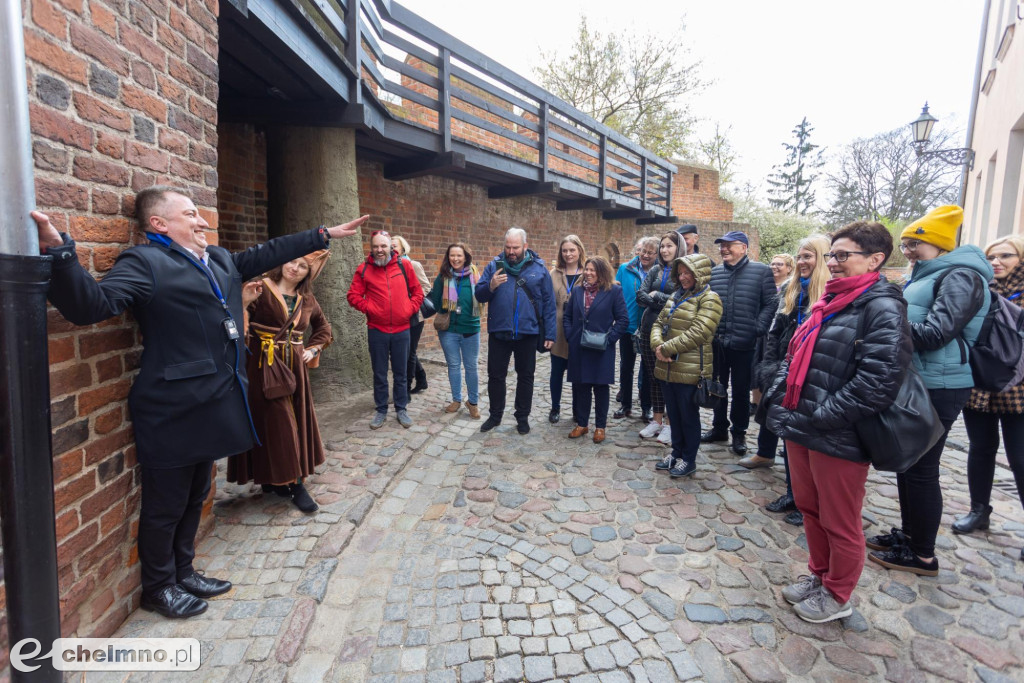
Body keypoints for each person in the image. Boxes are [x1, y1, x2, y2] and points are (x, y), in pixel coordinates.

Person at [33, 186, 366, 619]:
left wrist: (320, 234)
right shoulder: (145, 262)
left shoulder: (221, 260)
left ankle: (184, 571)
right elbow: (91, 305)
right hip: (172, 406)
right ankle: (159, 587)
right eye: (190, 214)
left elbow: (267, 252)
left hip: (215, 400)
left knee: (196, 494)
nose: (201, 220)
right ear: (159, 224)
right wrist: (61, 255)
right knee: (165, 503)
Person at [765, 221, 912, 623]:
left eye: (843, 255)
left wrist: (822, 417)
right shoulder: (829, 300)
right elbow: (795, 358)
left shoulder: (882, 305)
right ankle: (819, 575)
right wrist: (780, 405)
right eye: (832, 254)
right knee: (811, 509)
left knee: (840, 520)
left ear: (876, 259)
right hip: (804, 424)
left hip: (838, 432)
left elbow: (878, 381)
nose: (834, 262)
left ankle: (838, 592)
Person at [866, 206, 991, 576]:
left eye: (914, 243)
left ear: (937, 243)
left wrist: (886, 325)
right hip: (923, 379)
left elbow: (938, 332)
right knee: (909, 464)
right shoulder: (930, 273)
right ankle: (909, 535)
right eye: (905, 243)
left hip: (942, 384)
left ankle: (922, 554)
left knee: (922, 470)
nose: (907, 250)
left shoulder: (961, 276)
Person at [227, 253, 333, 513]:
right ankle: (282, 482)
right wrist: (242, 302)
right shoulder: (260, 288)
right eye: (292, 262)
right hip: (263, 366)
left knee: (291, 422)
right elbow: (234, 323)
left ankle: (288, 482)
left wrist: (314, 349)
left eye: (302, 266)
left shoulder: (307, 300)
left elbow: (324, 329)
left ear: (309, 273)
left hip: (295, 369)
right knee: (272, 423)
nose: (294, 269)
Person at [750, 235, 831, 527]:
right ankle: (793, 493)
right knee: (789, 437)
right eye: (799, 256)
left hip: (813, 375)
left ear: (821, 258)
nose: (801, 262)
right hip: (787, 371)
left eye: (807, 256)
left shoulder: (828, 294)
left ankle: (810, 502)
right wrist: (771, 367)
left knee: (808, 442)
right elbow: (775, 332)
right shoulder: (791, 289)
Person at [954, 234, 1024, 562]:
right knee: (980, 449)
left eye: (1005, 256)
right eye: (992, 256)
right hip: (980, 382)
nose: (996, 262)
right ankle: (979, 510)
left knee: (1020, 458)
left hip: (1019, 388)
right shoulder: (981, 290)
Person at [702, 231, 777, 456]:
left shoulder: (761, 271)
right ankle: (719, 428)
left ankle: (739, 432)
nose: (723, 249)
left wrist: (758, 327)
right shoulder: (714, 273)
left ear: (743, 248)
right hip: (718, 342)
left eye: (729, 245)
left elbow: (771, 302)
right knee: (717, 388)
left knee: (742, 391)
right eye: (721, 246)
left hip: (745, 343)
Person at [475, 227, 556, 434]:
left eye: (515, 248)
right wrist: (491, 285)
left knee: (526, 376)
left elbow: (548, 302)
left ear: (525, 246)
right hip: (499, 331)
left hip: (527, 332)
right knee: (495, 376)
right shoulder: (494, 266)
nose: (511, 252)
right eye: (508, 247)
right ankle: (495, 415)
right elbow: (480, 295)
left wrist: (550, 333)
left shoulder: (538, 268)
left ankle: (522, 417)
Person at [650, 253, 722, 477]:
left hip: (690, 369)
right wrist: (657, 345)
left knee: (688, 416)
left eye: (687, 272)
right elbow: (658, 322)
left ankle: (689, 459)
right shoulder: (675, 296)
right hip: (668, 367)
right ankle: (676, 452)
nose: (682, 277)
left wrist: (667, 348)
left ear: (699, 273)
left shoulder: (710, 299)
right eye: (680, 273)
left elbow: (700, 332)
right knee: (674, 414)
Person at [347, 229, 424, 430]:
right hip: (377, 330)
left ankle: (401, 408)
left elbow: (418, 292)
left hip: (402, 329)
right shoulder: (364, 269)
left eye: (383, 246)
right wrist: (370, 309)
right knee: (379, 372)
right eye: (375, 246)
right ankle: (381, 409)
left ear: (391, 246)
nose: (379, 250)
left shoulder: (404, 265)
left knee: (401, 372)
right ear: (371, 248)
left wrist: (409, 309)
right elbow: (353, 295)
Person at [563, 257, 629, 443]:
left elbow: (623, 319)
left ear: (602, 272)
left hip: (602, 348)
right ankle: (582, 424)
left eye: (593, 270)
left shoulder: (613, 291)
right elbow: (567, 317)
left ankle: (600, 427)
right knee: (581, 386)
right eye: (587, 269)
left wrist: (609, 339)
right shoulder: (577, 291)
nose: (589, 273)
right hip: (579, 347)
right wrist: (570, 335)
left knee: (600, 388)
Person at [636, 231, 684, 445]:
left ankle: (670, 424)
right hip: (648, 328)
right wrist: (658, 299)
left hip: (670, 332)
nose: (664, 250)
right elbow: (640, 295)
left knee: (669, 377)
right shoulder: (655, 269)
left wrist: (657, 297)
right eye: (662, 246)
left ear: (678, 248)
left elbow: (680, 300)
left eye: (669, 246)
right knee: (653, 375)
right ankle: (656, 419)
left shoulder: (683, 271)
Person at [427, 243, 482, 418]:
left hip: (471, 329)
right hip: (448, 330)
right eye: (452, 255)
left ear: (465, 257)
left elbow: (482, 297)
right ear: (448, 257)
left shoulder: (474, 275)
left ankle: (473, 403)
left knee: (471, 367)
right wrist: (446, 307)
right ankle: (457, 400)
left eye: (459, 255)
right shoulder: (442, 277)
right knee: (454, 366)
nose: (456, 259)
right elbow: (435, 302)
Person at [614, 236, 658, 420]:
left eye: (650, 253)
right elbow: (615, 293)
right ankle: (625, 405)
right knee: (626, 367)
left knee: (648, 369)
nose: (645, 255)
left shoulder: (658, 273)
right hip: (628, 324)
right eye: (643, 251)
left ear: (656, 254)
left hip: (649, 327)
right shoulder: (625, 269)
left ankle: (646, 407)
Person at [549, 235, 587, 424]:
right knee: (556, 372)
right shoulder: (554, 274)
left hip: (578, 330)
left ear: (579, 250)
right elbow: (547, 302)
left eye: (572, 250)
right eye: (565, 250)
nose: (568, 254)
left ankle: (576, 409)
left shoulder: (587, 272)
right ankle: (555, 407)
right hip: (558, 330)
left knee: (576, 374)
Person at [392, 235, 431, 395]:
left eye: (394, 246)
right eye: (389, 246)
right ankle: (421, 379)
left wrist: (409, 299)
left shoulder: (413, 264)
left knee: (408, 352)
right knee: (407, 351)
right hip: (397, 316)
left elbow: (426, 287)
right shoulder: (388, 267)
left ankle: (405, 390)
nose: (391, 249)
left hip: (414, 315)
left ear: (402, 248)